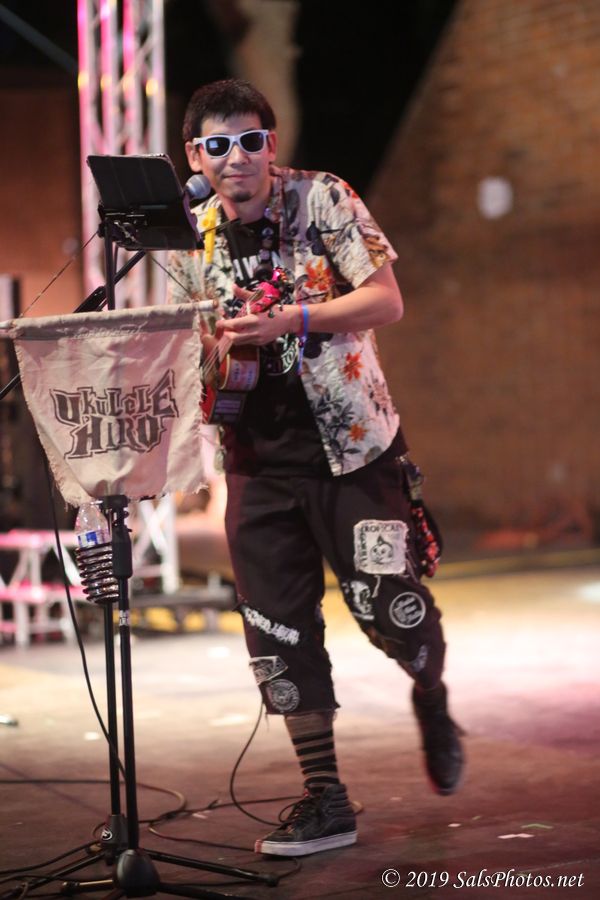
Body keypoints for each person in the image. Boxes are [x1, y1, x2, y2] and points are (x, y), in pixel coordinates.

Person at [168, 78, 464, 858]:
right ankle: (325, 796)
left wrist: (291, 320)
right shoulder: (190, 235)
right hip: (256, 463)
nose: (237, 158)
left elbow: (386, 301)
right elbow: (194, 344)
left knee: (391, 608)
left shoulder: (323, 198)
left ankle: (430, 690)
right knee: (276, 630)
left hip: (354, 451)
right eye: (218, 145)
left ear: (271, 145)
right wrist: (213, 350)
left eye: (251, 140)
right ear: (195, 156)